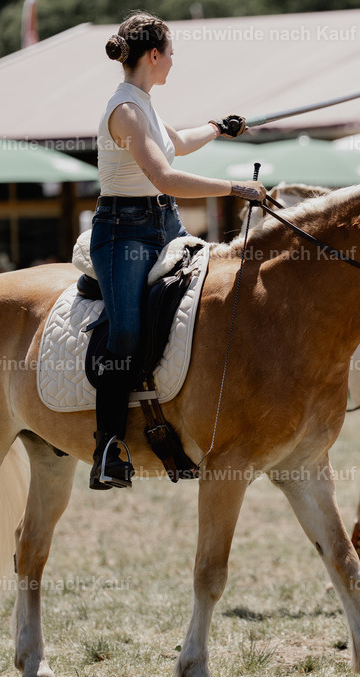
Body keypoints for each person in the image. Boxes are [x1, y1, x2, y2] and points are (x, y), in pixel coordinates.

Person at [89, 11, 266, 491]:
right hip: (122, 233)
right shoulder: (125, 110)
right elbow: (163, 175)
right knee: (125, 333)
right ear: (153, 55)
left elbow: (175, 144)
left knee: (209, 299)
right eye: (171, 52)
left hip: (162, 222)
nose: (173, 61)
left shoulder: (143, 103)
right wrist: (235, 188)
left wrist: (216, 126)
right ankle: (107, 446)